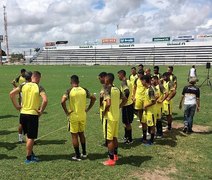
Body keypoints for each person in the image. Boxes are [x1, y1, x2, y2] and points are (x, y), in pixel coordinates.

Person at [10, 71, 48, 163]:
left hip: (23, 113)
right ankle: (28, 158)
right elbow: (45, 100)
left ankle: (30, 153)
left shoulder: (23, 85)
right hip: (32, 115)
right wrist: (41, 111)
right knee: (31, 137)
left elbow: (11, 94)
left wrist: (17, 106)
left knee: (27, 135)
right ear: (38, 78)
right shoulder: (39, 87)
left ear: (31, 77)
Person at [61, 75, 96, 161]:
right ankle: (84, 153)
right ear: (78, 81)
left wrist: (66, 111)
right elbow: (93, 98)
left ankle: (77, 155)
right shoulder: (84, 90)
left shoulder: (69, 91)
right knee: (82, 134)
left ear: (71, 82)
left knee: (74, 136)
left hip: (73, 116)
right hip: (82, 115)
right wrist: (88, 109)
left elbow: (62, 101)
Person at [102, 73, 126, 166]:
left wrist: (104, 112)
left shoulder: (107, 89)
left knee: (109, 139)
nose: (104, 80)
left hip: (109, 117)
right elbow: (124, 99)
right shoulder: (117, 89)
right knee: (115, 137)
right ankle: (115, 155)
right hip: (116, 116)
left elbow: (108, 103)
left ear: (107, 80)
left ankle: (111, 160)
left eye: (105, 79)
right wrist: (118, 106)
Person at [118, 70, 134, 144]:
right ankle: (126, 137)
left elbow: (127, 92)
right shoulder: (129, 81)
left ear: (122, 75)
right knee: (126, 122)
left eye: (119, 75)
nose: (118, 77)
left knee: (127, 123)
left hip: (127, 105)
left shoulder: (124, 82)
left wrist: (124, 101)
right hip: (129, 104)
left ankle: (129, 139)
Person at [18, 71, 32, 143]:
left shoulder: (22, 85)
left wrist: (18, 105)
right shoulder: (23, 85)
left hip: (27, 106)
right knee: (25, 123)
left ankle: (26, 138)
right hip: (27, 107)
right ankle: (23, 138)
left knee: (25, 123)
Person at [141, 75, 156, 145]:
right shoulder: (146, 89)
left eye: (142, 80)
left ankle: (152, 140)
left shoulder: (150, 90)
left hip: (151, 111)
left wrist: (146, 106)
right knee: (143, 123)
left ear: (144, 81)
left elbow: (153, 101)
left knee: (152, 126)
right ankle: (144, 138)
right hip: (146, 111)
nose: (141, 82)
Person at [98, 72, 107, 146]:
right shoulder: (111, 85)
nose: (99, 80)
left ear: (103, 77)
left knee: (105, 125)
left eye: (99, 78)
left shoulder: (105, 86)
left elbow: (101, 97)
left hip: (105, 108)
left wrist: (100, 103)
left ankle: (107, 142)